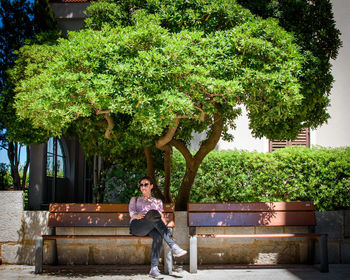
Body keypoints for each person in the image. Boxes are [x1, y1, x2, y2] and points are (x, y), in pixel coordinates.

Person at [129, 176, 187, 279]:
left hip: (151, 228)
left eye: (146, 184)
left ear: (151, 186)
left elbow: (159, 218)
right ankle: (173, 246)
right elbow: (131, 212)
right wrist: (136, 215)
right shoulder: (135, 199)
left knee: (158, 236)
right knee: (152, 213)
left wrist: (164, 227)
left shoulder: (157, 202)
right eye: (141, 185)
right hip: (137, 226)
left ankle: (154, 269)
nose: (143, 187)